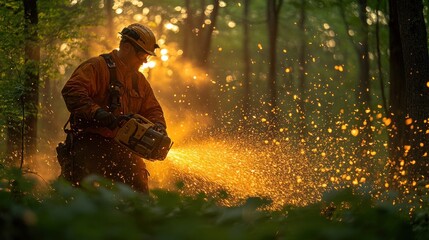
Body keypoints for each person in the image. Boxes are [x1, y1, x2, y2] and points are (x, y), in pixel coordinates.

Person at [58, 23, 167, 193]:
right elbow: (72, 92)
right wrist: (101, 115)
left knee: (139, 195)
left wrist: (159, 127)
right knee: (83, 194)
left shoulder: (139, 81)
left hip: (124, 149)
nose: (145, 61)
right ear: (126, 47)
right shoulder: (97, 67)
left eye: (147, 56)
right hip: (90, 143)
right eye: (141, 55)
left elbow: (152, 109)